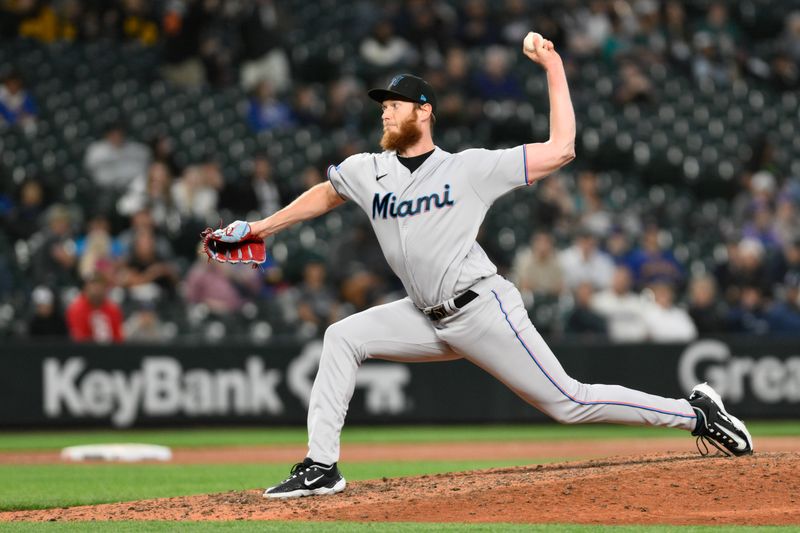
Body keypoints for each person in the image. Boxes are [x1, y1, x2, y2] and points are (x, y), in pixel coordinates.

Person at [212, 33, 753, 499]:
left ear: (424, 111)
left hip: (481, 308)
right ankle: (320, 467)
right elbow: (325, 195)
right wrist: (259, 227)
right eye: (383, 104)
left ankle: (697, 413)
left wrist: (554, 67)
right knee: (341, 337)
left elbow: (562, 148)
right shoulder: (365, 169)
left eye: (396, 103)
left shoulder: (468, 168)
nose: (386, 110)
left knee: (569, 403)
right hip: (425, 315)